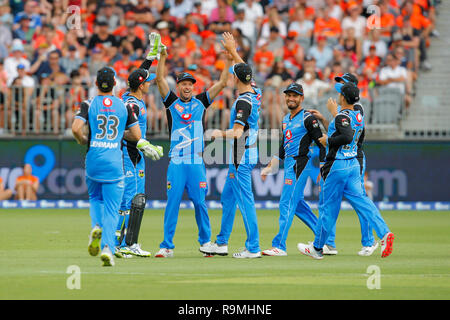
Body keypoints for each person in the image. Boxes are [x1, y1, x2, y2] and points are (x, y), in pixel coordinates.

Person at [154, 32, 233, 258]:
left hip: (196, 161)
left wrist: (227, 60)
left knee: (200, 203)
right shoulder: (171, 103)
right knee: (173, 203)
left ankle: (206, 242)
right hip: (177, 162)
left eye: (190, 84)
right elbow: (159, 80)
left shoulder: (201, 102)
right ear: (178, 87)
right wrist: (162, 57)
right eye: (183, 84)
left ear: (193, 87)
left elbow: (223, 82)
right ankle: (167, 246)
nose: (187, 87)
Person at [297, 83, 395, 260]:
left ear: (343, 97)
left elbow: (346, 133)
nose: (338, 95)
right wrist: (330, 122)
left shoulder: (341, 115)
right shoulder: (358, 113)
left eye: (340, 93)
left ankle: (318, 248)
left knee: (328, 208)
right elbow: (350, 134)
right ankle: (384, 233)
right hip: (352, 164)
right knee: (362, 201)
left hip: (337, 165)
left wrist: (329, 138)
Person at [72, 67, 142, 267]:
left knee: (95, 198)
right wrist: (119, 134)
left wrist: (82, 139)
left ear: (96, 84)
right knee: (112, 209)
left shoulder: (89, 103)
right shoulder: (123, 106)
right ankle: (107, 249)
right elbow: (137, 135)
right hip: (114, 160)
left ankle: (96, 226)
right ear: (114, 84)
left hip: (93, 158)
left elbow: (76, 128)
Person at [204, 32, 263, 259]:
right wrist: (233, 52)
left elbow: (237, 132)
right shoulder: (254, 93)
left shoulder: (242, 102)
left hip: (242, 155)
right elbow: (242, 68)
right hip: (246, 153)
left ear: (236, 80)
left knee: (245, 201)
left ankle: (253, 247)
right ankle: (221, 243)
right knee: (228, 198)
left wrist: (217, 133)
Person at [259, 83, 332, 256]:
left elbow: (322, 144)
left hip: (301, 164)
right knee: (298, 205)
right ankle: (325, 241)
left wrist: (322, 169)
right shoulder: (286, 119)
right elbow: (285, 145)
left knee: (287, 203)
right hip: (290, 164)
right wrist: (271, 166)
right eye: (288, 95)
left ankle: (279, 246)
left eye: (295, 95)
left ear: (302, 98)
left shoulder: (308, 118)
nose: (291, 98)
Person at [310, 73, 379, 256]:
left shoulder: (356, 108)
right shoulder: (343, 111)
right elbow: (339, 131)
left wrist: (334, 113)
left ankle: (368, 241)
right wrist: (325, 120)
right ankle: (328, 243)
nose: (339, 86)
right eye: (339, 82)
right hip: (340, 158)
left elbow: (349, 136)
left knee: (358, 199)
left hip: (352, 159)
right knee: (329, 202)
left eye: (343, 83)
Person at [115, 33, 164, 258]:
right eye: (148, 82)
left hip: (137, 155)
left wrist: (152, 52)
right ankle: (118, 244)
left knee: (138, 200)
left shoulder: (130, 94)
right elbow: (125, 133)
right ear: (141, 86)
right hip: (128, 154)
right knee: (127, 201)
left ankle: (131, 242)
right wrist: (143, 143)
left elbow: (141, 70)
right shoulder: (130, 104)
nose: (150, 83)